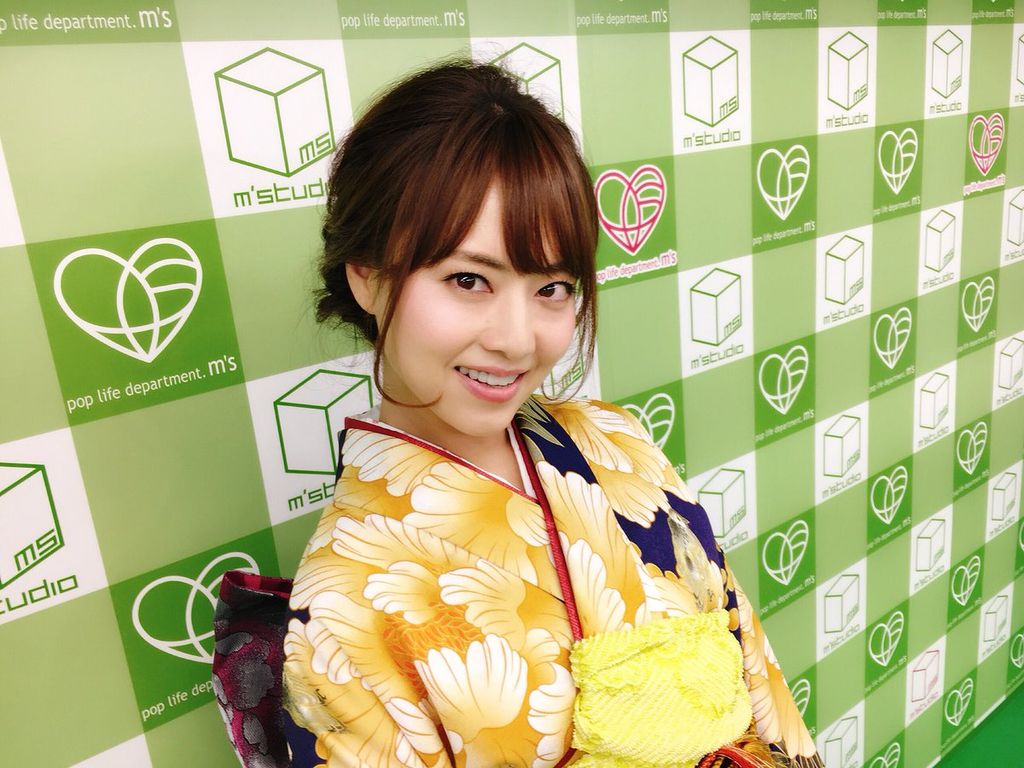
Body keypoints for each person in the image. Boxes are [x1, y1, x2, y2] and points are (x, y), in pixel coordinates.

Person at [273, 60, 822, 768]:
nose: (516, 339)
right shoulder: (341, 611)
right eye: (468, 279)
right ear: (369, 277)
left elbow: (755, 674)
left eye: (552, 288)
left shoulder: (617, 440)